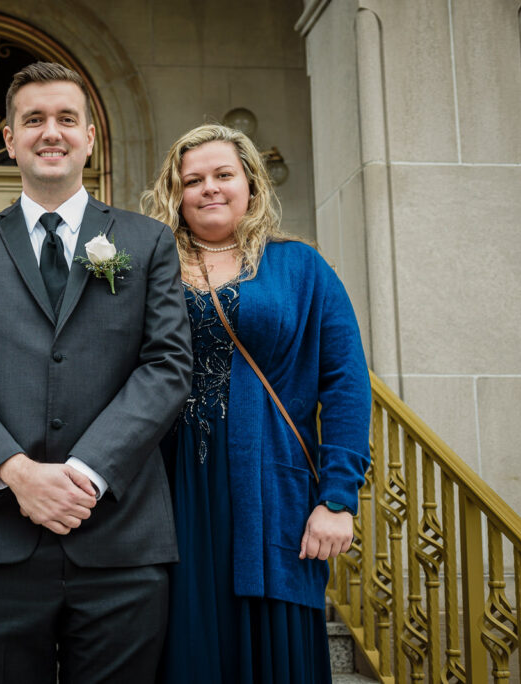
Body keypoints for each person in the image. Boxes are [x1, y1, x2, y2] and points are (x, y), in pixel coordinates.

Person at [0, 61, 193, 684]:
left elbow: (167, 364)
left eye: (66, 119)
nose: (51, 132)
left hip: (121, 538)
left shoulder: (147, 242)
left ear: (90, 138)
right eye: (33, 119)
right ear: (10, 140)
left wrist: (84, 474)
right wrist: (18, 475)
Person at [142, 123, 371, 684]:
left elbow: (345, 383)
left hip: (271, 484)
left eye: (224, 175)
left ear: (251, 184)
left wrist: (338, 498)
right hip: (169, 484)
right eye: (192, 180)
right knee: (180, 639)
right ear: (175, 192)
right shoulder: (151, 266)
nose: (209, 188)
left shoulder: (300, 267)